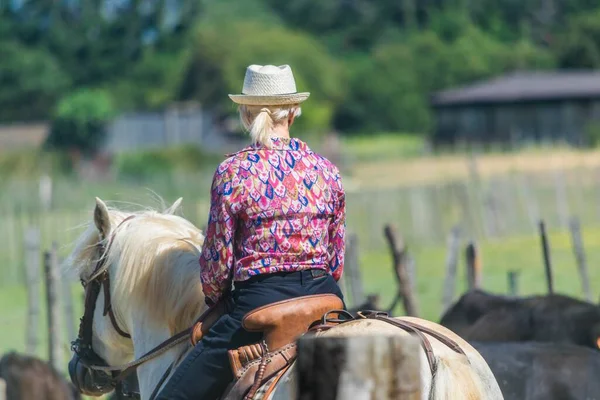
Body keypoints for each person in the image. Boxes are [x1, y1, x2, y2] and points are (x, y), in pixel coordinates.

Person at [156, 64, 346, 399]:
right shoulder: (326, 170)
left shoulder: (234, 172)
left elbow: (217, 263)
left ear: (246, 114)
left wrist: (216, 299)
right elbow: (336, 258)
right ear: (293, 114)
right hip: (326, 301)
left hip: (258, 306)